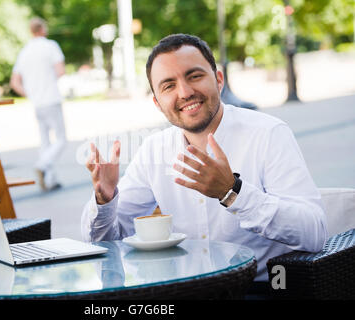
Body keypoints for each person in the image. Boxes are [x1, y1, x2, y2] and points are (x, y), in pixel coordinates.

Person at [81, 34, 328, 285]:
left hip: (264, 287)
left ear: (218, 79)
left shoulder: (268, 133)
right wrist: (105, 198)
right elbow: (105, 244)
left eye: (194, 76)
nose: (185, 92)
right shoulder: (154, 150)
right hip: (186, 291)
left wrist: (232, 192)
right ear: (157, 102)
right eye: (168, 85)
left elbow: (314, 233)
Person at [10, 17, 66, 191]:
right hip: (51, 98)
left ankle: (50, 180)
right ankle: (42, 165)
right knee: (61, 139)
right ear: (42, 29)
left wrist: (30, 93)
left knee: (45, 142)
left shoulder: (24, 52)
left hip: (37, 102)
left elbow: (14, 82)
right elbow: (60, 70)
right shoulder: (50, 46)